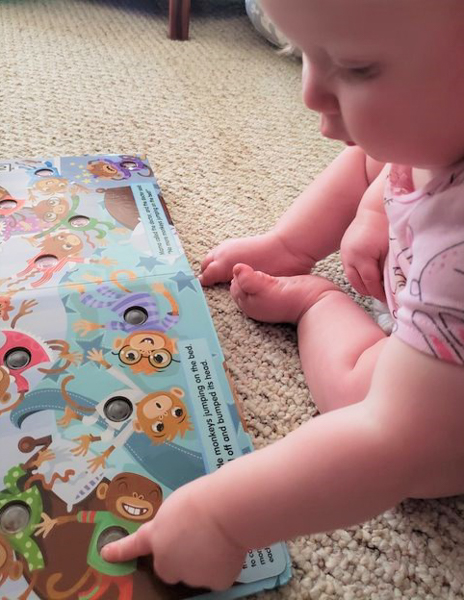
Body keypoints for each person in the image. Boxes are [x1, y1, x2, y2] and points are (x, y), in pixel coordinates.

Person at [102, 0, 464, 591]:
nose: (309, 95)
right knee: (377, 148)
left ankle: (317, 302)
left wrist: (221, 517)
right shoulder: (438, 122)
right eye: (303, 55)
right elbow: (380, 157)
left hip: (444, 384)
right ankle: (291, 249)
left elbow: (393, 441)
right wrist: (371, 209)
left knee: (374, 408)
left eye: (356, 67)